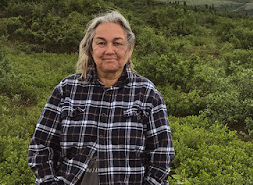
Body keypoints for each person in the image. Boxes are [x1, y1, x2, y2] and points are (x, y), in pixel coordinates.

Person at [28, 10, 175, 184]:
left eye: (117, 43)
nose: (109, 50)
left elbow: (162, 154)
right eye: (101, 43)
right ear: (91, 48)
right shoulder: (66, 90)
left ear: (129, 49)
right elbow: (40, 146)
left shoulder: (148, 94)